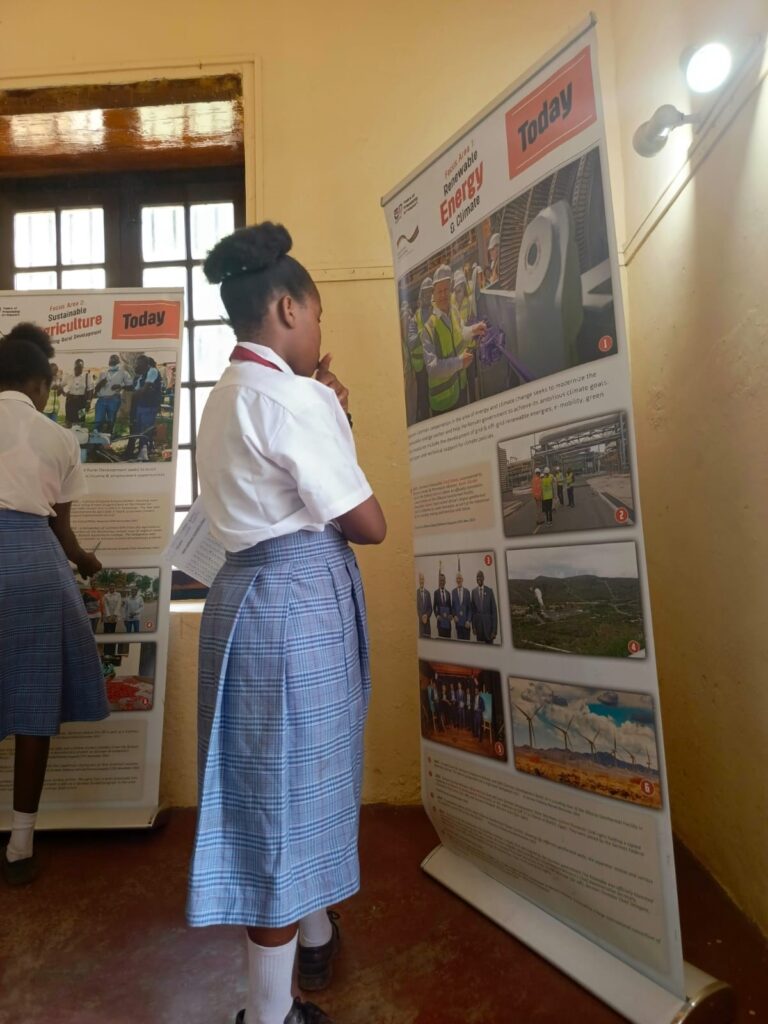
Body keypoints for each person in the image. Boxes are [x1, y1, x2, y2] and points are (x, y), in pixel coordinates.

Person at [186, 222, 387, 1024]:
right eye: (318, 314)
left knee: (281, 789)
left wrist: (329, 414)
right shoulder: (292, 398)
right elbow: (366, 523)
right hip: (294, 606)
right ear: (285, 308)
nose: (320, 331)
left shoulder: (228, 393)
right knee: (284, 801)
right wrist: (332, 416)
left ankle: (313, 935)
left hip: (247, 599)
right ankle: (268, 1016)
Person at [0, 322, 108, 886]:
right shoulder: (58, 437)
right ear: (40, 385)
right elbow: (64, 536)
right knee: (33, 704)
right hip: (36, 568)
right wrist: (88, 562)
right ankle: (21, 845)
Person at [422, 265, 485, 417]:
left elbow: (461, 333)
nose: (443, 295)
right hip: (443, 402)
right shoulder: (428, 328)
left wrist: (473, 330)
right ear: (434, 295)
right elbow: (432, 368)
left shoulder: (454, 312)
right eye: (439, 291)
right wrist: (459, 362)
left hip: (460, 389)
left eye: (446, 290)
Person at [124, 355, 162, 462]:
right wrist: (122, 387)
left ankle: (144, 452)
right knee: (138, 428)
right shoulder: (140, 377)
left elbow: (143, 390)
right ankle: (140, 452)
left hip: (149, 406)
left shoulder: (153, 371)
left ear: (145, 364)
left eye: (138, 364)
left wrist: (132, 396)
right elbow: (135, 389)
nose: (136, 366)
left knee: (145, 428)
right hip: (140, 406)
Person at [93, 355, 133, 436]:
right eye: (111, 360)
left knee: (111, 421)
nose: (113, 361)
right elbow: (96, 388)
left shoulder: (123, 372)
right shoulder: (103, 372)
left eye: (115, 360)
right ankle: (96, 441)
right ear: (109, 362)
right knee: (98, 421)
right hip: (102, 400)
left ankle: (108, 440)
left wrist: (120, 386)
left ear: (118, 362)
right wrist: (101, 383)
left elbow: (131, 386)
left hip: (114, 399)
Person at [411, 277, 432, 422]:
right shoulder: (415, 317)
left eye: (429, 293)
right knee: (423, 396)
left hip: (435, 361)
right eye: (424, 293)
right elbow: (411, 341)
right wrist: (423, 332)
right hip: (422, 367)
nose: (426, 296)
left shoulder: (436, 312)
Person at [62, 358, 93, 428]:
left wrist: (88, 402)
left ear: (82, 368)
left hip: (82, 402)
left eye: (80, 368)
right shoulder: (69, 375)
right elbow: (61, 385)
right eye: (77, 367)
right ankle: (69, 436)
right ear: (74, 366)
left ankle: (79, 436)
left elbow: (90, 390)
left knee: (80, 421)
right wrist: (64, 393)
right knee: (69, 421)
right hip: (70, 401)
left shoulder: (87, 376)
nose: (79, 369)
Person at [471, 571, 497, 644]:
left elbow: (494, 612)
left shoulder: (489, 591)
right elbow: (473, 611)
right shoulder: (473, 592)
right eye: (477, 577)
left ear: (483, 578)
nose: (479, 578)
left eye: (480, 576)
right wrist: (473, 627)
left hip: (489, 630)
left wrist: (494, 631)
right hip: (479, 629)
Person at [102, 582, 123, 656]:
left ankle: (111, 651)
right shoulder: (105, 595)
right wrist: (108, 616)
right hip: (107, 618)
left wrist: (114, 615)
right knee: (106, 632)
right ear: (108, 587)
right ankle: (105, 651)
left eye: (113, 586)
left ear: (115, 587)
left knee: (112, 632)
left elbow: (119, 604)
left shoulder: (118, 595)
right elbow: (105, 605)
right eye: (110, 586)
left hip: (114, 617)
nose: (112, 588)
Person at [451, 573, 471, 640]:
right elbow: (453, 607)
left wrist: (468, 620)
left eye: (460, 578)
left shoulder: (467, 592)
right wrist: (454, 616)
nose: (458, 580)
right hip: (458, 624)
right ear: (456, 580)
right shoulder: (453, 592)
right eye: (457, 579)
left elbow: (470, 609)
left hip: (466, 624)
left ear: (462, 580)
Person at [433, 572, 452, 639]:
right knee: (441, 643)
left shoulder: (448, 593)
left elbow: (450, 607)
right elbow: (434, 607)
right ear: (439, 581)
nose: (442, 582)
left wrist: (451, 615)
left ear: (445, 581)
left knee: (448, 643)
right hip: (440, 623)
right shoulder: (436, 593)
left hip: (448, 623)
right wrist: (437, 615)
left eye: (443, 580)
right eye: (441, 580)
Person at [416, 572, 433, 638]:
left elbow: (430, 608)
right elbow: (417, 608)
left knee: (428, 641)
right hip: (421, 623)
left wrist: (426, 615)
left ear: (424, 580)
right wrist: (422, 617)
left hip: (427, 623)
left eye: (422, 579)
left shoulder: (428, 593)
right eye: (420, 579)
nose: (421, 581)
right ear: (418, 581)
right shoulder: (416, 593)